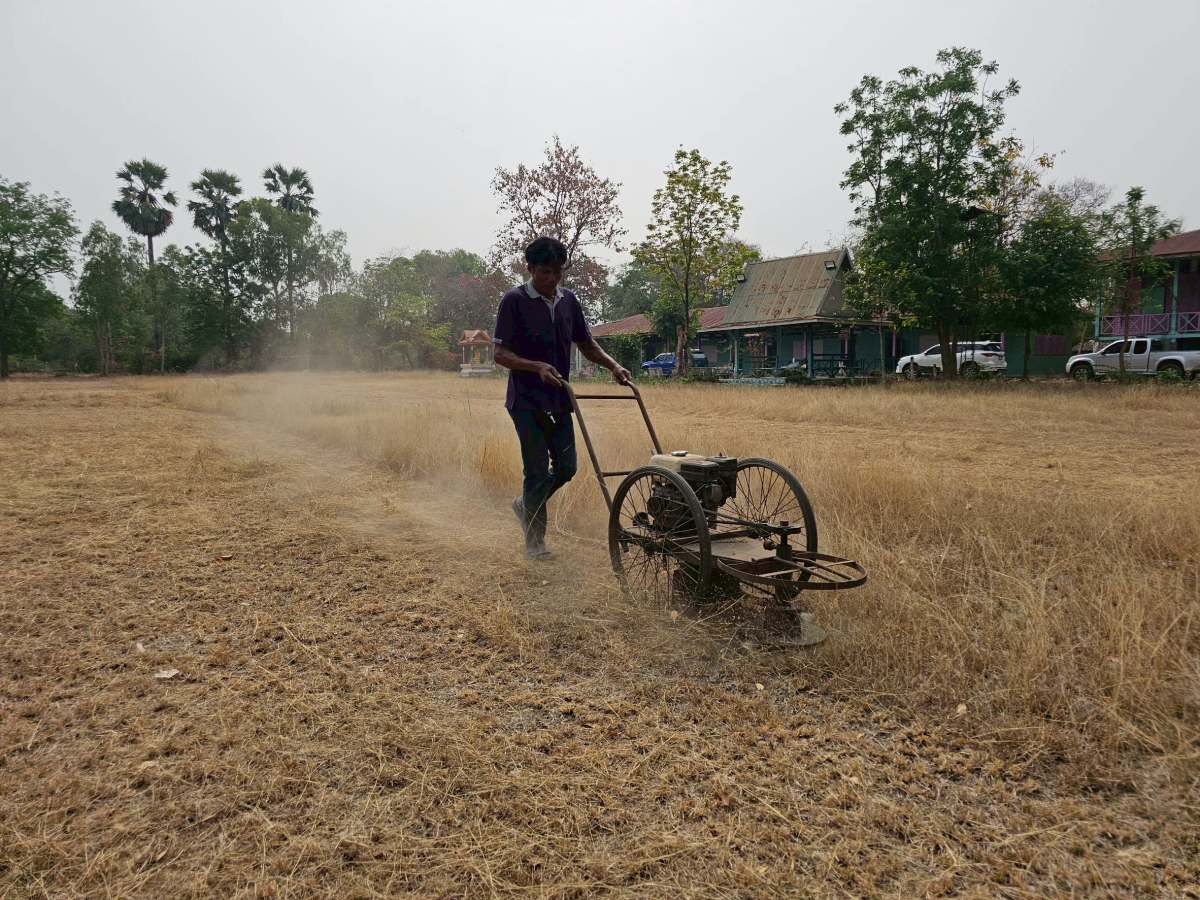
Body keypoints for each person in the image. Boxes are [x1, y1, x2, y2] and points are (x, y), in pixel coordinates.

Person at [493, 236, 632, 559]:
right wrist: (535, 366)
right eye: (544, 272)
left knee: (567, 468)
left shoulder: (569, 300)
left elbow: (585, 342)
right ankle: (535, 543)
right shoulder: (514, 300)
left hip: (559, 399)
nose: (551, 279)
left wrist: (614, 366)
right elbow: (500, 354)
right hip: (526, 401)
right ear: (529, 269)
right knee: (537, 471)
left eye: (557, 272)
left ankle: (525, 503)